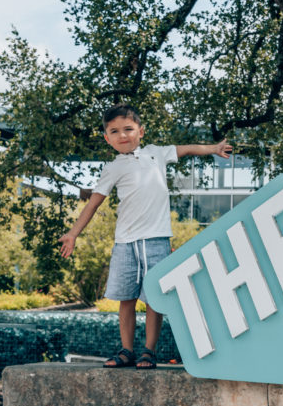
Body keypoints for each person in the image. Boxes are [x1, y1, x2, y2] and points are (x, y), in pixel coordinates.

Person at [59, 104, 232, 369]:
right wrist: (72, 234)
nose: (122, 135)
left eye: (128, 129)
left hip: (157, 240)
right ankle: (126, 350)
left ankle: (148, 351)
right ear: (107, 138)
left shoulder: (156, 154)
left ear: (141, 131)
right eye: (114, 131)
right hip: (126, 243)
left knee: (154, 298)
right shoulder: (112, 168)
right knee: (126, 299)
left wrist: (214, 148)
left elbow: (185, 149)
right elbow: (93, 203)